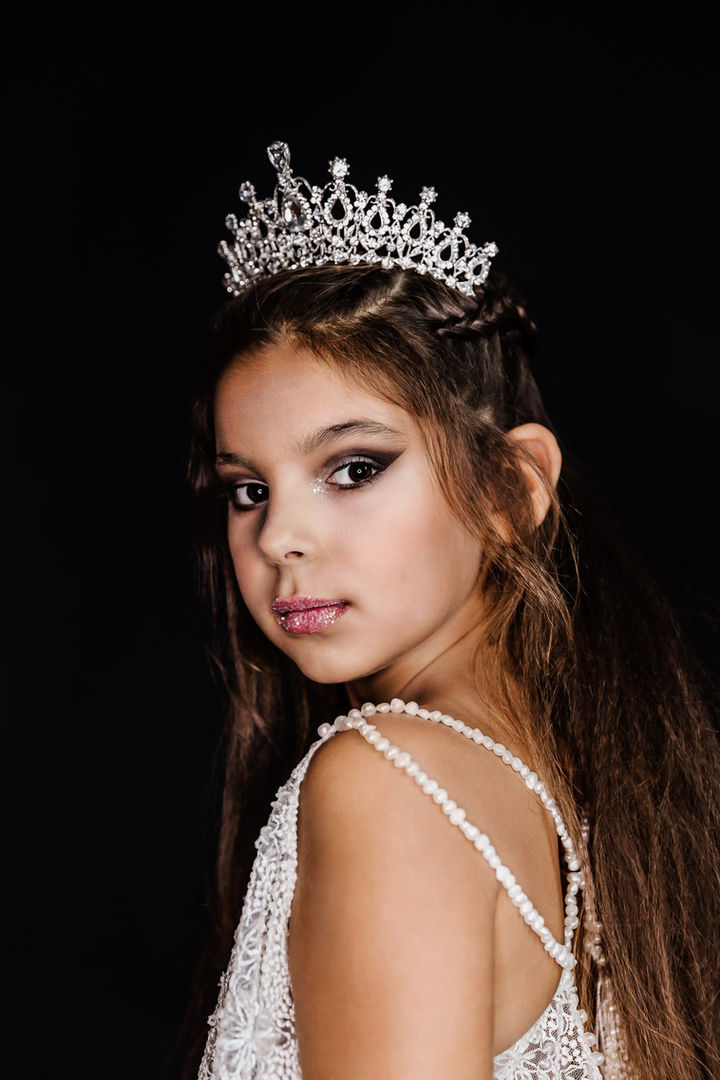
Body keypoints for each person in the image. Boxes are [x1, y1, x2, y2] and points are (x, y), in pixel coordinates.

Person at [184, 143, 720, 1079]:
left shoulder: (386, 782)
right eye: (247, 489)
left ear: (512, 489)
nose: (279, 538)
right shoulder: (592, 797)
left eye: (353, 468)